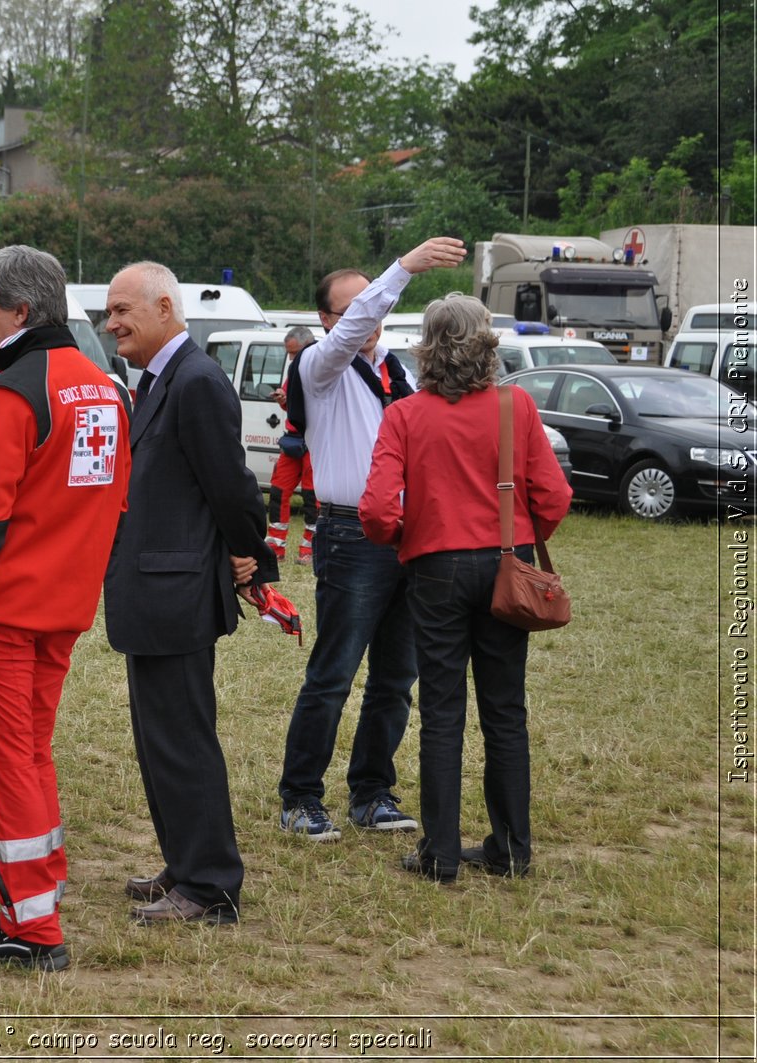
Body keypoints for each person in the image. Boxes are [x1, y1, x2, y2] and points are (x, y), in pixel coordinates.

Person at [0, 245, 130, 971]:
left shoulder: (12, 395)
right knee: (31, 754)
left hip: (5, 612)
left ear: (20, 311)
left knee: (8, 761)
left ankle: (35, 930)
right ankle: (33, 896)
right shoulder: (104, 387)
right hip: (65, 604)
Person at [359, 294, 570, 882]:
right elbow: (554, 496)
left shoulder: (405, 414)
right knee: (505, 712)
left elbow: (376, 510)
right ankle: (510, 849)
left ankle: (441, 854)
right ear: (486, 343)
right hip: (507, 559)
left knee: (443, 712)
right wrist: (523, 535)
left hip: (435, 569)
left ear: (426, 347)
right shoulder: (516, 406)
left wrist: (407, 534)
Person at [101, 262, 277, 925]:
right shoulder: (161, 380)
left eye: (124, 311)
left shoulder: (197, 381)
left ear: (167, 308)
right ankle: (183, 862)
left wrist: (249, 558)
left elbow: (232, 487)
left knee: (183, 739)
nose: (112, 323)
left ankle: (209, 885)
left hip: (176, 593)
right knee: (160, 739)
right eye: (110, 312)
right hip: (153, 593)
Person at [275, 236, 467, 843]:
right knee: (333, 674)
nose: (372, 316)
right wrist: (404, 268)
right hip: (352, 534)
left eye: (376, 307)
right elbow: (359, 321)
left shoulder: (400, 373)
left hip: (409, 536)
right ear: (327, 321)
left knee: (395, 678)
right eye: (356, 308)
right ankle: (301, 797)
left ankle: (372, 792)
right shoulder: (319, 367)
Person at [267, 325, 318, 563]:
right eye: (289, 353)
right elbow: (292, 406)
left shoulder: (323, 367)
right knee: (278, 492)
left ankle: (309, 550)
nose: (291, 358)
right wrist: (283, 399)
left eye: (294, 353)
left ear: (309, 345)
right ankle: (275, 547)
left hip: (314, 443)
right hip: (292, 442)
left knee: (312, 498)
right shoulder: (294, 369)